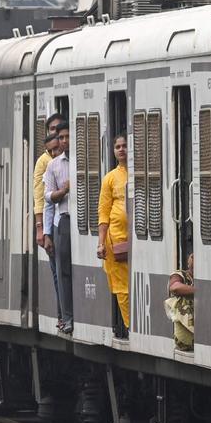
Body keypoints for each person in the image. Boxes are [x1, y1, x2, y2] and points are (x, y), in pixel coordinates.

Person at [97, 132, 131, 334]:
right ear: (113, 151)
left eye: (125, 145)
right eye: (118, 146)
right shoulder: (110, 178)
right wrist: (101, 242)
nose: (122, 149)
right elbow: (103, 212)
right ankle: (128, 325)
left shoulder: (138, 173)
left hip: (138, 236)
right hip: (116, 238)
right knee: (122, 286)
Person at [42, 120, 72, 331]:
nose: (64, 141)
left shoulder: (84, 159)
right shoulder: (53, 165)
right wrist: (46, 232)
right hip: (63, 220)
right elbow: (47, 199)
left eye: (67, 137)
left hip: (81, 221)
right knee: (63, 272)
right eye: (61, 137)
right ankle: (67, 317)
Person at [34, 112, 63, 250]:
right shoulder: (44, 161)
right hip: (51, 221)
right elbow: (40, 197)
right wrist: (40, 228)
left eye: (59, 128)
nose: (56, 132)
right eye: (52, 128)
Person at [167, 253, 195, 351]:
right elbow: (175, 287)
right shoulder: (181, 275)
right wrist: (198, 291)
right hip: (185, 335)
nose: (193, 258)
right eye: (191, 256)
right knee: (181, 301)